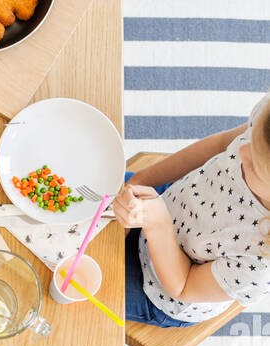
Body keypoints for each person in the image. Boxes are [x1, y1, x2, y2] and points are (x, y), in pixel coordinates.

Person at [113, 97, 270, 326]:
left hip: (159, 289)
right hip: (171, 202)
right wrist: (139, 179)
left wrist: (157, 224)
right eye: (250, 138)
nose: (241, 152)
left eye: (255, 166)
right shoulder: (265, 129)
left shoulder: (258, 265)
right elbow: (220, 145)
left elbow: (183, 285)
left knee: (70, 283)